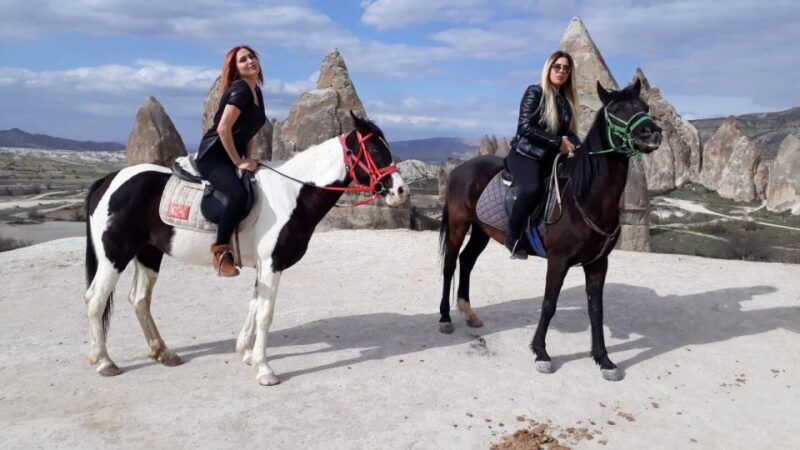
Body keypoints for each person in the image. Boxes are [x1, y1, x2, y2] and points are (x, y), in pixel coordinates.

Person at [196, 45, 266, 276]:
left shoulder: (256, 91)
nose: (250, 61)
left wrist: (248, 158)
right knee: (237, 194)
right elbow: (224, 128)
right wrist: (238, 162)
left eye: (251, 56)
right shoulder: (240, 90)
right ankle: (220, 253)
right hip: (214, 156)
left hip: (232, 155)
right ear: (235, 69)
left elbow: (247, 131)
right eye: (243, 60)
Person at [505, 50, 581, 259]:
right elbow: (525, 127)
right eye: (558, 67)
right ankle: (512, 236)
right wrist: (558, 142)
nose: (562, 71)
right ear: (549, 68)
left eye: (566, 69)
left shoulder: (565, 102)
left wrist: (578, 146)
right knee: (533, 188)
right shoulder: (535, 92)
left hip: (548, 157)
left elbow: (569, 133)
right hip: (525, 155)